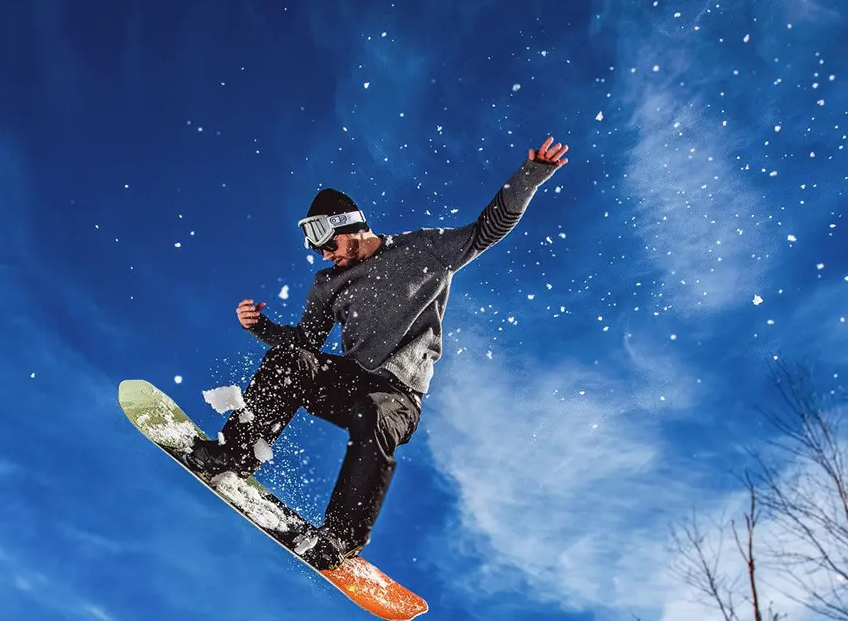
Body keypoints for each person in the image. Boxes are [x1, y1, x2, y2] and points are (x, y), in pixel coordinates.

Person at [187, 137, 571, 570]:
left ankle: (340, 538)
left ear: (352, 226)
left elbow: (487, 229)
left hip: (398, 397)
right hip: (349, 381)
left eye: (330, 245)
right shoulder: (327, 284)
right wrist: (263, 329)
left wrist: (530, 175)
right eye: (320, 252)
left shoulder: (424, 249)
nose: (327, 257)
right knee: (290, 362)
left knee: (374, 413)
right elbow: (306, 344)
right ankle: (237, 454)